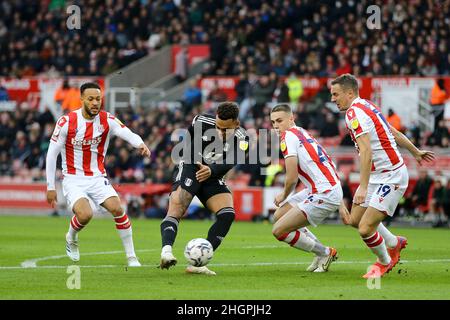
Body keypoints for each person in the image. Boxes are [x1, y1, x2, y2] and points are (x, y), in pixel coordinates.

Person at [330, 74, 435, 278]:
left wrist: (362, 186)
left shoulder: (354, 114)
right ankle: (395, 242)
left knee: (364, 228)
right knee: (354, 220)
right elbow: (392, 132)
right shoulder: (368, 106)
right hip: (378, 176)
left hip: (391, 177)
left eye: (336, 94)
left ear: (349, 93)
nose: (333, 99)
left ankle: (385, 261)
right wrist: (414, 151)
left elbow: (366, 151)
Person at [46, 82, 151, 267]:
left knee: (118, 209)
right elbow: (52, 153)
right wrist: (50, 187)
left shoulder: (107, 119)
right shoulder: (66, 122)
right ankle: (71, 237)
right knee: (85, 215)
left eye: (98, 99)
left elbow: (125, 131)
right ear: (82, 100)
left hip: (97, 177)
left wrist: (140, 143)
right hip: (73, 179)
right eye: (91, 99)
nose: (95, 103)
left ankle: (132, 257)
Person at [159, 102, 249, 275]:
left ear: (236, 124)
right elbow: (189, 145)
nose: (220, 132)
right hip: (192, 167)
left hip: (213, 175)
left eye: (225, 130)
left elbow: (231, 161)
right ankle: (166, 252)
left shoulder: (242, 138)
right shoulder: (200, 120)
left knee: (227, 214)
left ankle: (198, 264)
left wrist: (212, 170)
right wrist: (195, 164)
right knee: (178, 207)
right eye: (218, 127)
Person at [270, 104, 341, 273]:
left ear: (291, 118)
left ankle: (324, 253)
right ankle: (320, 252)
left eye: (279, 121)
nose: (275, 126)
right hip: (322, 188)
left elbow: (292, 177)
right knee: (279, 215)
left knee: (279, 231)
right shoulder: (301, 131)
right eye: (273, 122)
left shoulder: (287, 137)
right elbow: (327, 162)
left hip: (324, 192)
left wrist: (283, 195)